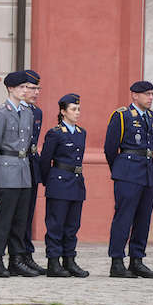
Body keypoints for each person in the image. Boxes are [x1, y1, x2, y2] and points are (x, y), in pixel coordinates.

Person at [103, 80, 153, 278]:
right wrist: (119, 169)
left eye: (152, 94)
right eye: (147, 94)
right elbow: (110, 148)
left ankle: (137, 260)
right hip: (127, 172)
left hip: (146, 172)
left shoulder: (151, 117)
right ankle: (117, 261)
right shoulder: (122, 116)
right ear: (134, 95)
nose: (151, 98)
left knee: (143, 218)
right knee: (124, 218)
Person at [0, 70, 38, 277]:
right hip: (6, 169)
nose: (26, 91)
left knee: (20, 218)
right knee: (3, 218)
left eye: (27, 87)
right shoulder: (1, 113)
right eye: (22, 87)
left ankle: (16, 258)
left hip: (23, 169)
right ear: (11, 89)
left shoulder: (27, 112)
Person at [39, 93, 89, 277]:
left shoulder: (81, 132)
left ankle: (69, 260)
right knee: (56, 225)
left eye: (79, 109)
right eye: (73, 109)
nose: (77, 112)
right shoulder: (55, 133)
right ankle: (53, 262)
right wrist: (49, 181)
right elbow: (45, 161)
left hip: (76, 182)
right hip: (59, 182)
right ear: (63, 112)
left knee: (72, 225)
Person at [21, 70, 47, 274]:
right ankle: (15, 255)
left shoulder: (37, 112)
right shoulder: (13, 110)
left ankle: (26, 254)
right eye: (32, 88)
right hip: (16, 165)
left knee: (28, 212)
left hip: (31, 164)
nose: (36, 92)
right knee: (16, 214)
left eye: (38, 88)